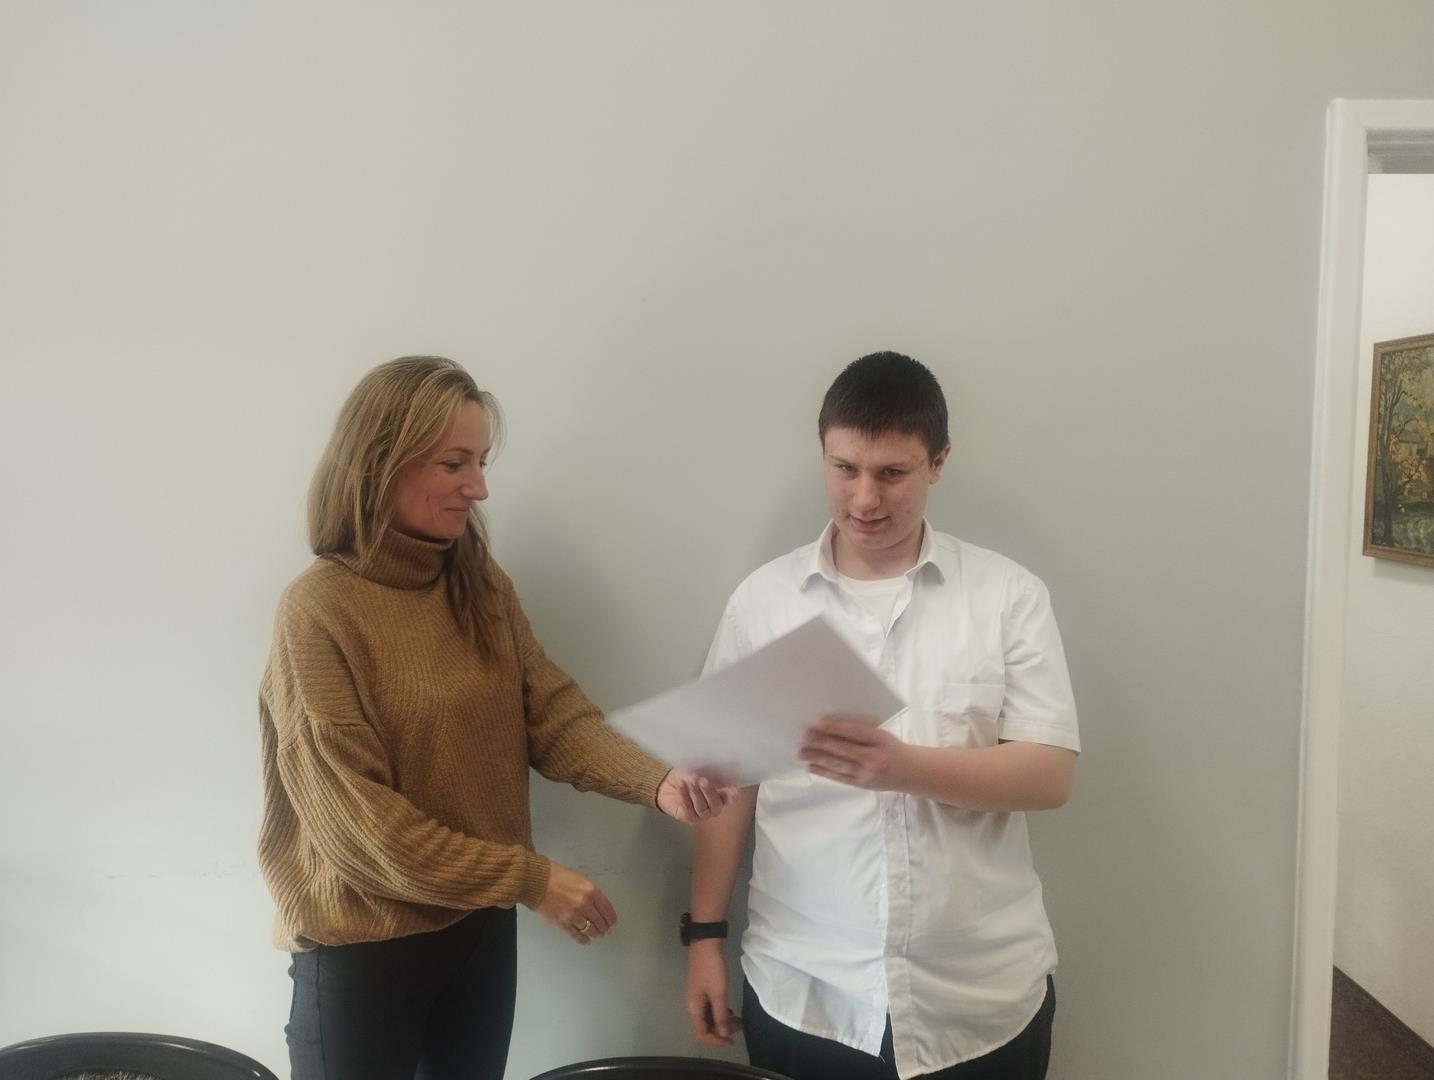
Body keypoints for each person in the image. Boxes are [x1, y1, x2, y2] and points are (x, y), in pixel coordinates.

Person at [258, 355, 729, 1080]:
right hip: (362, 951)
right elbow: (360, 830)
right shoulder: (317, 611)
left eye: (480, 462)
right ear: (380, 460)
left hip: (478, 932)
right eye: (455, 464)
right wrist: (530, 879)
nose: (478, 488)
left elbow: (552, 715)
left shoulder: (477, 583)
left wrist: (657, 783)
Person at [682, 351, 1080, 1080]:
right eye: (845, 468)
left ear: (938, 463)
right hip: (805, 986)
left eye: (892, 473)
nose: (865, 498)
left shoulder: (1006, 595)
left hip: (981, 994)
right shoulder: (764, 603)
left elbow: (1049, 774)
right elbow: (728, 783)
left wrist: (901, 767)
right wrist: (703, 935)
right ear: (823, 454)